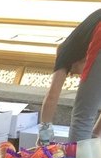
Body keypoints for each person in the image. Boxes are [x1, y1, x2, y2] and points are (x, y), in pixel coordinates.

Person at [39, 8, 101, 144]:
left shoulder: (64, 54)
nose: (74, 75)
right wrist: (95, 137)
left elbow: (52, 95)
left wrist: (44, 133)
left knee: (82, 118)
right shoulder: (81, 41)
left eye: (72, 73)